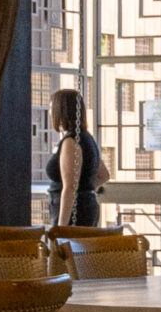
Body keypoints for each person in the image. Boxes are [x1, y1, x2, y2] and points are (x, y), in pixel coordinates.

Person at [46, 87, 112, 225]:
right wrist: (85, 189)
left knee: (68, 246)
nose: (50, 113)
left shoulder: (71, 141)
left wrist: (61, 228)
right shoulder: (87, 138)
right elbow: (104, 174)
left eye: (52, 108)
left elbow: (69, 187)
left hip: (72, 212)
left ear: (61, 110)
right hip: (87, 208)